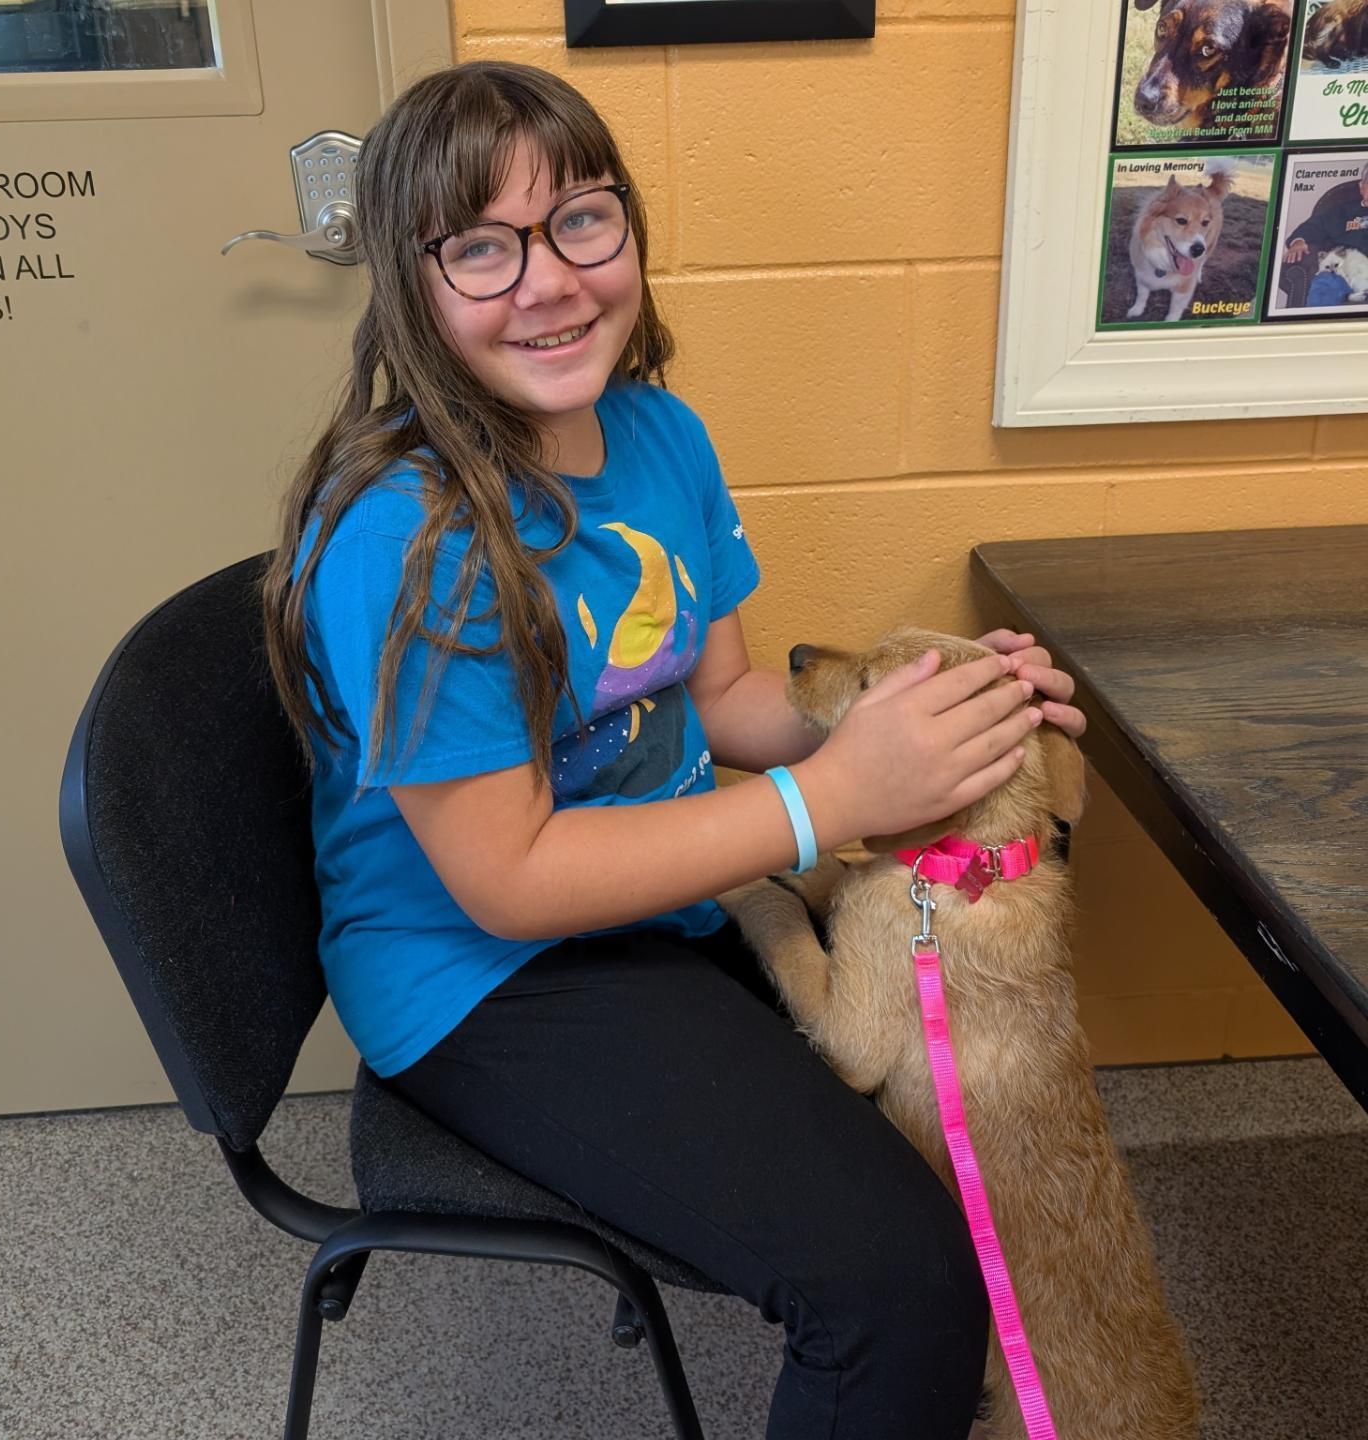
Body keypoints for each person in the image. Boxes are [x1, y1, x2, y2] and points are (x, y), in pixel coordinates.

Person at [261, 59, 1086, 1440]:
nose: (549, 280)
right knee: (900, 1288)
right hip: (490, 973)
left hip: (662, 886)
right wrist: (828, 800)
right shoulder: (414, 540)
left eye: (582, 219)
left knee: (963, 1148)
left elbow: (724, 703)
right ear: (412, 287)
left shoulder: (658, 435)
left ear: (630, 231)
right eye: (482, 246)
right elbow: (510, 881)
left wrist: (939, 705)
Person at [1283, 159, 1368, 305]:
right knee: (1323, 286)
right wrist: (1298, 241)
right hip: (1341, 271)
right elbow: (1314, 225)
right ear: (1361, 187)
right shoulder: (1341, 211)